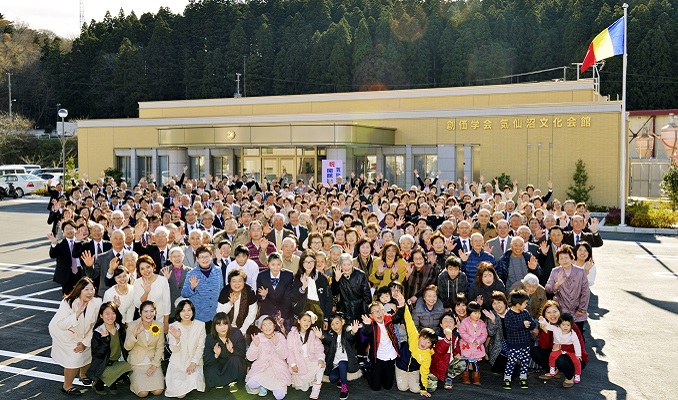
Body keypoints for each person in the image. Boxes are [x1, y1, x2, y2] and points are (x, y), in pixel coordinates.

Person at [49, 277, 102, 396]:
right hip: (64, 333)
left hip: (85, 332)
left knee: (88, 351)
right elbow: (62, 325)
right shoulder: (67, 302)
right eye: (86, 289)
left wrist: (85, 342)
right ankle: (67, 386)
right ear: (79, 290)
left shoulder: (97, 302)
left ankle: (83, 375)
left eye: (92, 289)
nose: (90, 292)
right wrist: (77, 314)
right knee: (74, 358)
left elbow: (94, 325)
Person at [532, 300, 588, 388]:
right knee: (535, 351)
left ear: (560, 312)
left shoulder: (568, 325)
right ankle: (554, 371)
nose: (552, 315)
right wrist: (545, 332)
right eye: (549, 312)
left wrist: (561, 347)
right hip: (557, 353)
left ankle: (570, 377)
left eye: (555, 311)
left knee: (560, 359)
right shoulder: (546, 325)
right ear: (545, 315)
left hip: (575, 356)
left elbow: (579, 346)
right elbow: (544, 346)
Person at [396, 291, 436, 396]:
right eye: (423, 339)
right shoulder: (414, 336)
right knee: (402, 388)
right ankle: (400, 372)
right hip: (401, 366)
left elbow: (424, 371)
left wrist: (424, 389)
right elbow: (409, 321)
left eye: (428, 343)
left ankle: (418, 380)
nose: (424, 343)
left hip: (414, 369)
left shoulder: (427, 356)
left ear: (430, 346)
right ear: (419, 337)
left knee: (415, 389)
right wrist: (403, 305)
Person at [87, 302, 132, 395]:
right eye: (107, 314)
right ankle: (99, 383)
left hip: (116, 362)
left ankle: (112, 380)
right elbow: (98, 354)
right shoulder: (98, 332)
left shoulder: (120, 328)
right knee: (109, 373)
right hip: (103, 365)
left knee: (131, 367)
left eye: (113, 313)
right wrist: (105, 340)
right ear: (101, 316)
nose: (111, 316)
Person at [360, 299, 405, 391]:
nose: (379, 313)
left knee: (388, 386)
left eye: (380, 310)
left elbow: (398, 316)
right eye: (375, 312)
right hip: (378, 359)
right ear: (371, 316)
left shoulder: (389, 320)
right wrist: (367, 325)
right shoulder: (371, 325)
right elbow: (366, 332)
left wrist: (401, 306)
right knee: (376, 387)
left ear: (384, 311)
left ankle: (382, 375)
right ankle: (366, 372)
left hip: (390, 357)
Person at [165, 299, 206, 398]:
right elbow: (173, 350)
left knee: (194, 378)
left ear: (193, 311)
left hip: (194, 361)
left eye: (189, 310)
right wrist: (177, 339)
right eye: (183, 310)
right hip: (178, 362)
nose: (186, 313)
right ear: (178, 312)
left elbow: (200, 348)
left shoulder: (200, 325)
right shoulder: (173, 327)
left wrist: (193, 363)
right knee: (180, 394)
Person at [544, 245, 590, 333]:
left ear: (572, 259)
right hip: (561, 310)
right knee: (561, 336)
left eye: (566, 257)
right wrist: (557, 284)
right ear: (558, 261)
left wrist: (582, 309)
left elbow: (585, 291)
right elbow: (548, 289)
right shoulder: (555, 271)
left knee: (577, 336)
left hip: (578, 311)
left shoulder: (580, 272)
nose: (564, 260)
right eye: (561, 258)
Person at [124, 300, 165, 397]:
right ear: (140, 313)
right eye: (145, 311)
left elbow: (160, 347)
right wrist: (135, 334)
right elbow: (127, 347)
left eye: (151, 311)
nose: (149, 314)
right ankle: (134, 379)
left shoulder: (159, 326)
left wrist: (155, 365)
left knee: (158, 391)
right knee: (143, 393)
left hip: (152, 362)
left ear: (155, 312)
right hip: (137, 363)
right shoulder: (132, 325)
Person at [245, 316, 290, 399]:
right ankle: (263, 385)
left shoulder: (280, 336)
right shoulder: (258, 338)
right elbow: (250, 358)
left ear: (274, 326)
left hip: (277, 369)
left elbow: (285, 355)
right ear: (261, 328)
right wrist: (255, 346)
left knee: (280, 396)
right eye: (264, 325)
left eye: (270, 324)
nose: (267, 327)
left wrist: (277, 344)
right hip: (262, 368)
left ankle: (271, 387)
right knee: (252, 384)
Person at [203, 312, 247, 392]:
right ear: (214, 326)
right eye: (219, 325)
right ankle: (227, 381)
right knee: (210, 370)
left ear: (229, 324)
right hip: (219, 364)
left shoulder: (236, 333)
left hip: (232, 363)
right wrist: (216, 355)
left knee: (236, 360)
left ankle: (226, 381)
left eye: (225, 324)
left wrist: (232, 350)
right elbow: (207, 360)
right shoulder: (210, 338)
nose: (222, 328)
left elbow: (243, 354)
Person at [321, 313, 362, 400]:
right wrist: (321, 336)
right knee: (332, 378)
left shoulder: (346, 333)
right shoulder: (332, 335)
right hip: (336, 364)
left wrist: (354, 332)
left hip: (347, 362)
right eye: (332, 324)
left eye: (337, 323)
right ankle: (341, 377)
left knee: (342, 363)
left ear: (342, 322)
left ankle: (344, 388)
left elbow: (350, 336)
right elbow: (327, 338)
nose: (335, 326)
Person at [502, 290, 537, 390]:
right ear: (518, 304)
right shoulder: (509, 314)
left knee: (525, 362)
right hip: (514, 345)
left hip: (526, 344)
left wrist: (530, 325)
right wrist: (522, 325)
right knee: (511, 362)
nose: (526, 305)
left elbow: (533, 323)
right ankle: (507, 379)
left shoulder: (525, 313)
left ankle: (523, 378)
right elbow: (509, 327)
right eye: (525, 303)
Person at [181, 244, 224, 326]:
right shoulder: (191, 273)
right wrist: (192, 287)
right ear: (197, 259)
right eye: (201, 257)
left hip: (215, 315)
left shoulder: (218, 270)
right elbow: (184, 293)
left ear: (211, 257)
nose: (205, 259)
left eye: (207, 256)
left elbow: (221, 290)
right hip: (199, 317)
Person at [286, 311, 326, 398]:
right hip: (298, 361)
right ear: (299, 321)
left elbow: (319, 348)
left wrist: (320, 359)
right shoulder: (291, 334)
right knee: (302, 388)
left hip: (310, 359)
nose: (307, 323)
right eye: (304, 320)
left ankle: (316, 389)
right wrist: (293, 364)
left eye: (309, 321)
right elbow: (289, 351)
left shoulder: (312, 333)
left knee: (321, 365)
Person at [538, 312, 582, 384]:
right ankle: (552, 368)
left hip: (570, 350)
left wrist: (578, 354)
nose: (565, 327)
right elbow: (548, 326)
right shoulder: (556, 329)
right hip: (559, 349)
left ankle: (577, 374)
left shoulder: (573, 334)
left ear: (571, 325)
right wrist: (542, 320)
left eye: (568, 325)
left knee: (577, 361)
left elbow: (577, 344)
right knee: (552, 355)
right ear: (559, 325)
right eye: (563, 325)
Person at [291, 250, 332, 327]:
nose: (309, 264)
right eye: (306, 262)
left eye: (311, 261)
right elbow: (293, 297)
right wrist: (303, 287)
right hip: (303, 310)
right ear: (302, 263)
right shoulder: (297, 277)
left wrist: (326, 318)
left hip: (319, 309)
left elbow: (328, 298)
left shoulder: (321, 277)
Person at [256, 252, 294, 332]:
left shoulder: (288, 275)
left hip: (285, 311)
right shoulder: (261, 276)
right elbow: (258, 296)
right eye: (273, 264)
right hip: (267, 310)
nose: (276, 267)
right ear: (268, 264)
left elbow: (288, 297)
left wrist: (283, 315)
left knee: (286, 336)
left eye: (278, 264)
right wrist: (263, 295)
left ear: (282, 264)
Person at [132, 255, 171, 334]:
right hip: (144, 320)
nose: (146, 270)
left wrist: (166, 322)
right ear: (139, 271)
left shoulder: (162, 280)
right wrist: (146, 293)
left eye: (148, 267)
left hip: (160, 319)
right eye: (142, 269)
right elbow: (137, 304)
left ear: (153, 267)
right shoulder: (137, 283)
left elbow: (167, 302)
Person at [48, 220, 86, 295]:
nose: (69, 231)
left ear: (75, 229)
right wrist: (54, 244)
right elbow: (52, 255)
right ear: (63, 232)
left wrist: (78, 241)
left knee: (81, 294)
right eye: (66, 229)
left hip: (80, 272)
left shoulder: (82, 243)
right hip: (66, 274)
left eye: (71, 228)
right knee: (68, 296)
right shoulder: (60, 244)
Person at [331, 253, 372, 323]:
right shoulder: (337, 274)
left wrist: (364, 311)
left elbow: (367, 297)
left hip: (359, 311)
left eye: (349, 264)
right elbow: (333, 292)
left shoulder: (360, 275)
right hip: (344, 310)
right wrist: (336, 280)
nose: (347, 267)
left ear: (352, 264)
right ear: (340, 265)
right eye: (344, 265)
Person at [216, 269, 258, 335]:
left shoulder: (249, 291)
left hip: (245, 326)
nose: (237, 284)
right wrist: (230, 303)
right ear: (230, 282)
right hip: (226, 327)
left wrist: (243, 330)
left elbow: (252, 313)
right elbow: (219, 313)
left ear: (244, 282)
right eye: (234, 281)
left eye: (240, 281)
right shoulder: (225, 291)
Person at [429, 313, 463, 391]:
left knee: (462, 363)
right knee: (430, 389)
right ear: (441, 325)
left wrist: (457, 353)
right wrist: (447, 339)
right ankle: (435, 377)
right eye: (445, 321)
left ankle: (448, 377)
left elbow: (456, 347)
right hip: (435, 366)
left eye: (451, 321)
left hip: (448, 363)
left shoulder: (455, 337)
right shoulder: (436, 337)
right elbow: (439, 351)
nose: (448, 323)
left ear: (455, 326)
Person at [457, 301, 487, 385]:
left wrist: (479, 340)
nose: (477, 315)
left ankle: (476, 377)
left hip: (477, 347)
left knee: (476, 364)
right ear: (469, 313)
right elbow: (462, 332)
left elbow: (484, 334)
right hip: (467, 346)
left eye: (478, 313)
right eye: (474, 313)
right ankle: (465, 376)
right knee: (466, 363)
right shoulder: (465, 322)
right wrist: (470, 339)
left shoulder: (481, 323)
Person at [481, 291, 510, 373]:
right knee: (501, 366)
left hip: (512, 347)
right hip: (498, 348)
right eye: (494, 303)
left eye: (499, 302)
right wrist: (493, 321)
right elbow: (490, 333)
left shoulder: (511, 313)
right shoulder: (492, 315)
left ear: (505, 302)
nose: (497, 306)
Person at [159, 247, 191, 318]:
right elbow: (159, 291)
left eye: (179, 256)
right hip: (169, 309)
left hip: (185, 310)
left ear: (183, 257)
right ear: (170, 258)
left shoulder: (190, 271)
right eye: (174, 256)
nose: (177, 258)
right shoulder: (163, 271)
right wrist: (165, 280)